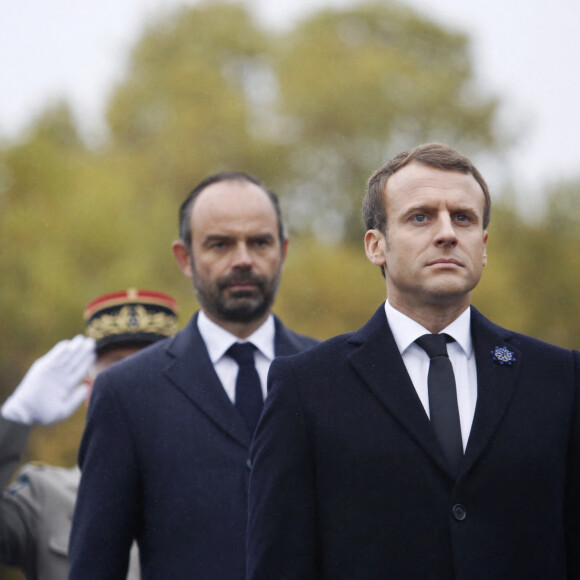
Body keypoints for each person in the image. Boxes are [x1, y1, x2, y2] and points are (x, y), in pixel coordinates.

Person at [246, 143, 580, 579]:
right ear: (375, 246)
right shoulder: (307, 387)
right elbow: (279, 563)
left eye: (463, 217)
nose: (446, 233)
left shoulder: (558, 378)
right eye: (420, 217)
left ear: (483, 245)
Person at [69, 172, 318, 579]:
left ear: (283, 250)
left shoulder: (330, 374)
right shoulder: (127, 393)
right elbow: (96, 563)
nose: (242, 259)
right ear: (184, 257)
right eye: (219, 244)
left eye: (259, 242)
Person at [0, 288, 178, 580]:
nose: (134, 384)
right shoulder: (46, 496)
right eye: (117, 370)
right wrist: (15, 418)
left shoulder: (218, 485)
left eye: (150, 366)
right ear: (89, 388)